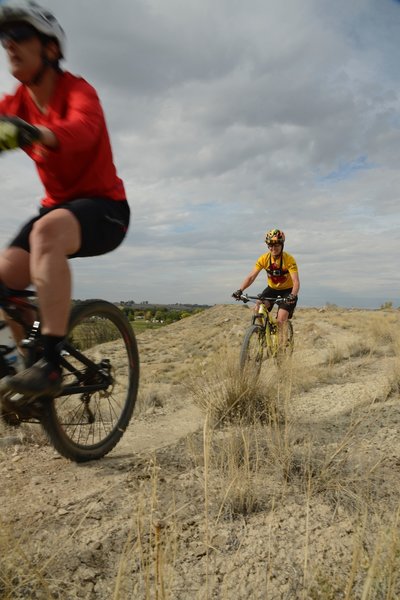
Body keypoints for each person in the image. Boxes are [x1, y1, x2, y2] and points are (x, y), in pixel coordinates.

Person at [0, 0, 130, 403]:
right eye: (6, 38)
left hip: (105, 210)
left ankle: (51, 363)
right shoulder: (15, 102)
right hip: (56, 210)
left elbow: (82, 131)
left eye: (20, 36)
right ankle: (26, 370)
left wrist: (34, 133)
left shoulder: (78, 90)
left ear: (51, 49)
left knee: (46, 232)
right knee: (3, 281)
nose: (9, 45)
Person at [232, 228, 300, 341]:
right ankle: (263, 332)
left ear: (282, 245)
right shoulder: (264, 259)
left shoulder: (289, 260)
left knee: (281, 320)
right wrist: (240, 290)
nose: (273, 248)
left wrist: (292, 295)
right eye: (270, 245)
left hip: (288, 291)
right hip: (272, 289)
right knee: (258, 308)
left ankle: (281, 351)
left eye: (276, 245)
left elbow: (296, 282)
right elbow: (251, 277)